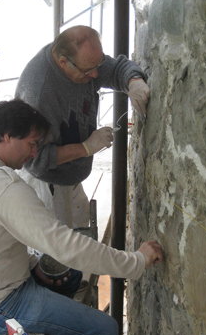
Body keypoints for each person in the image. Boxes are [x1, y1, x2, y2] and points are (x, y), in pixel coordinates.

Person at [0, 99, 163, 335]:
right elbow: (65, 245)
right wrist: (136, 261)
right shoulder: (2, 185)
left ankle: (52, 333)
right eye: (32, 144)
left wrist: (32, 265)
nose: (34, 154)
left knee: (70, 276)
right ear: (8, 136)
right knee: (105, 332)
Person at [15, 25, 150, 229]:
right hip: (45, 182)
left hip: (71, 173)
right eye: (88, 70)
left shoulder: (82, 64)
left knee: (80, 226)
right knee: (60, 249)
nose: (96, 75)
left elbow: (115, 69)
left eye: (97, 65)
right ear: (63, 62)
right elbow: (36, 159)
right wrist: (86, 148)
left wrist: (134, 81)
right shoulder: (40, 92)